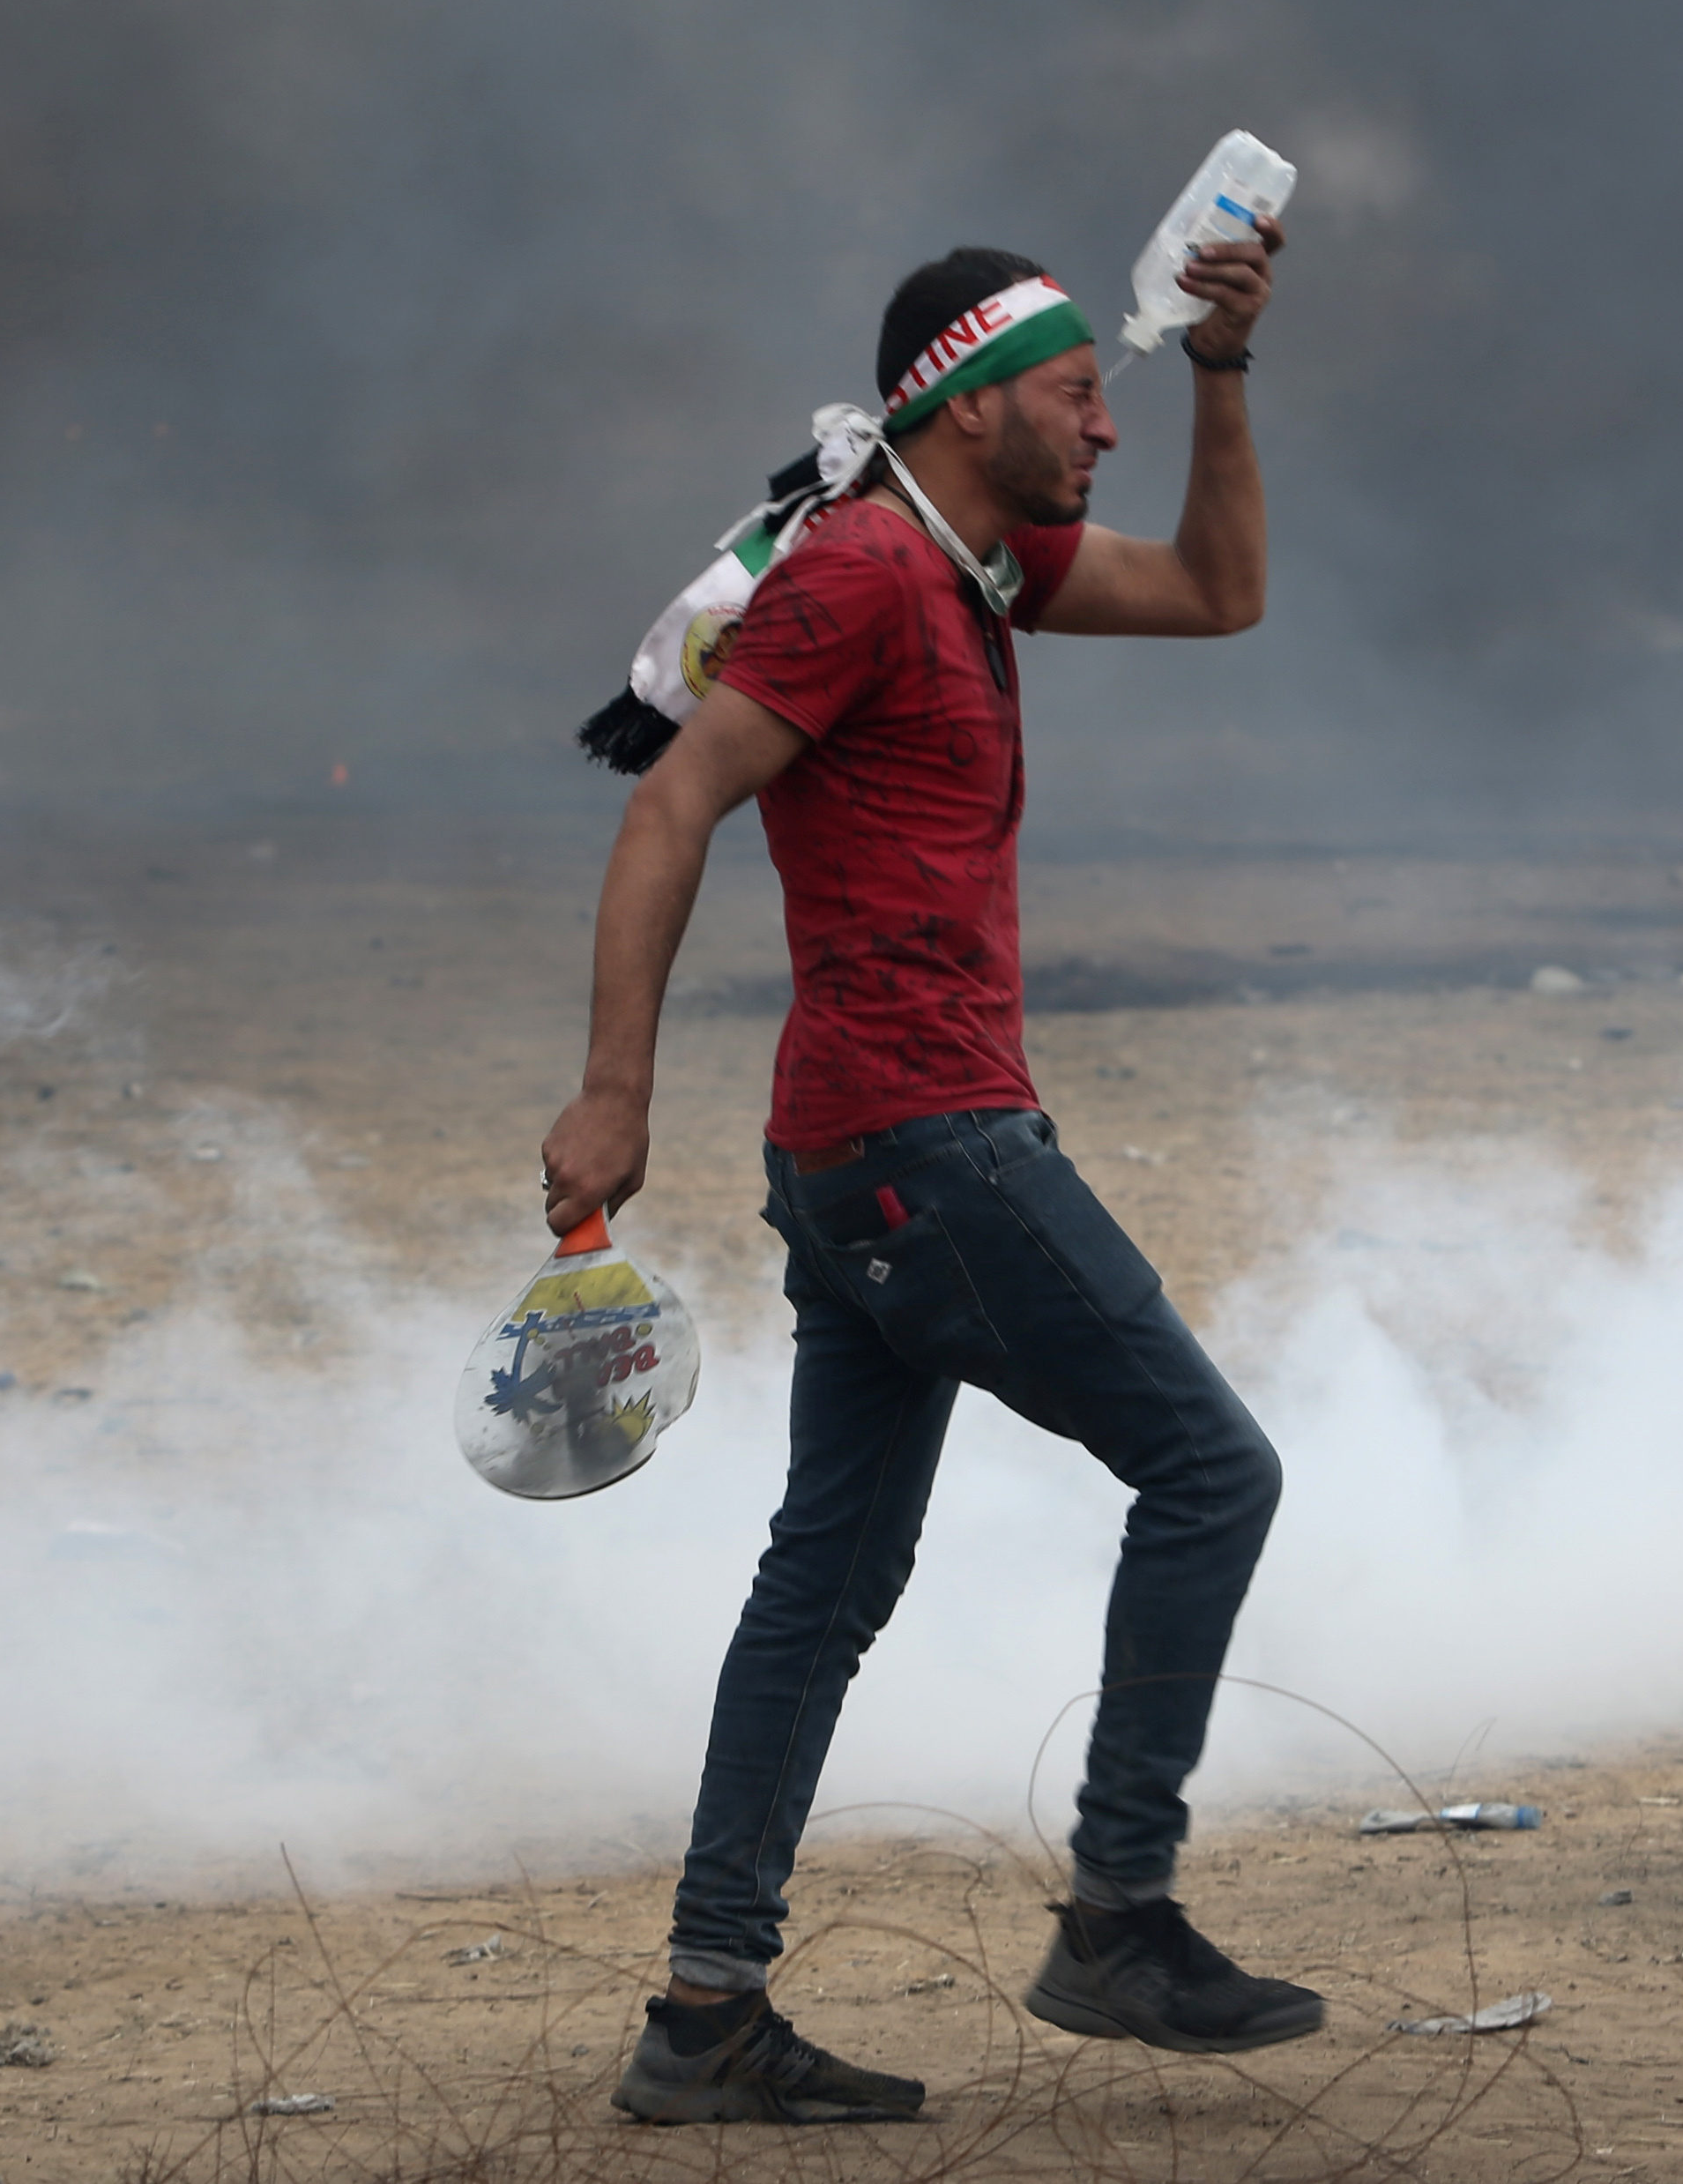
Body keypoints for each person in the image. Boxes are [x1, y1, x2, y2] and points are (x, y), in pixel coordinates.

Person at [541, 220, 1313, 2128]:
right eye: (1080, 396)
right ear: (970, 409)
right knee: (1213, 1472)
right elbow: (673, 799)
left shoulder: (973, 562)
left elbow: (1222, 593)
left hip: (862, 1149)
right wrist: (612, 1093)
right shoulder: (869, 576)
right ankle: (1118, 1915)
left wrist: (1223, 368)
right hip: (923, 1142)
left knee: (826, 1578)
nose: (1104, 428)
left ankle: (706, 2017)